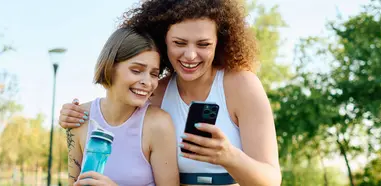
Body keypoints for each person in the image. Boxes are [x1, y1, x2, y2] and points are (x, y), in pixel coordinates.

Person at [60, 0, 281, 185]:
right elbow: (115, 112)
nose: (190, 55)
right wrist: (73, 113)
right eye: (179, 43)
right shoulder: (155, 91)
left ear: (219, 43)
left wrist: (228, 156)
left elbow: (272, 180)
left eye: (203, 44)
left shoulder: (241, 85)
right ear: (162, 40)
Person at [66, 27, 179, 186]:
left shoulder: (158, 124)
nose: (147, 82)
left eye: (154, 74)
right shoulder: (79, 118)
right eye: (136, 70)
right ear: (111, 67)